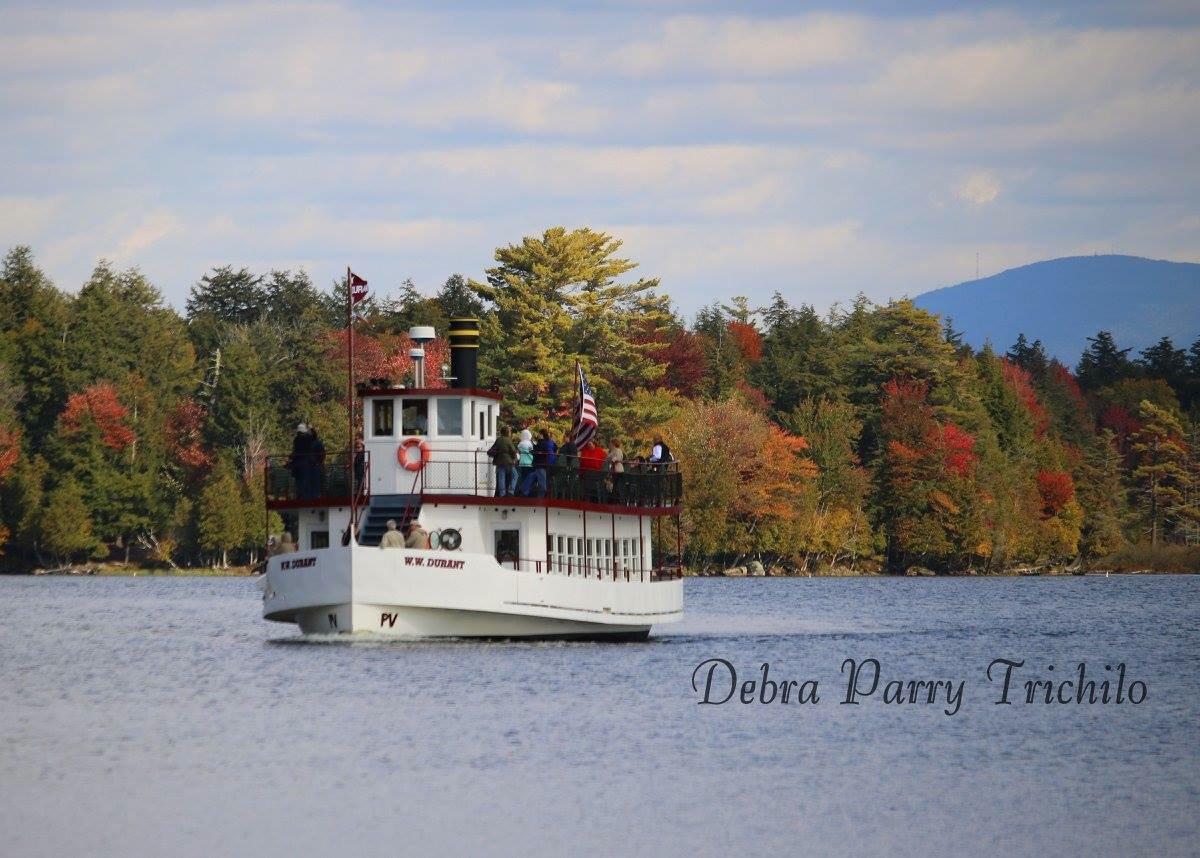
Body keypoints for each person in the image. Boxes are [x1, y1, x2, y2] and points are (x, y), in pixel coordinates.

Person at [520, 428, 556, 498]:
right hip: (546, 465)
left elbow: (537, 451)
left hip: (540, 464)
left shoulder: (542, 443)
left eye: (539, 434)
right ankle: (524, 492)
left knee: (541, 483)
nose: (538, 435)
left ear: (541, 434)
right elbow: (554, 449)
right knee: (531, 478)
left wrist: (533, 450)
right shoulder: (550, 442)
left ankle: (539, 497)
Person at [491, 426, 518, 497]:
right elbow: (513, 451)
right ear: (507, 432)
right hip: (509, 462)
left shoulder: (498, 440)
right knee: (515, 475)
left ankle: (502, 493)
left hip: (499, 461)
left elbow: (493, 449)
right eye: (509, 432)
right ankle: (511, 491)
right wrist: (514, 458)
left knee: (501, 477)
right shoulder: (508, 440)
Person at [288, 423, 310, 497]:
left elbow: (297, 451)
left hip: (299, 463)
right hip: (305, 463)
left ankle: (300, 494)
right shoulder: (308, 439)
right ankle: (303, 494)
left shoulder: (297, 440)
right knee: (303, 480)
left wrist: (292, 457)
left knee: (300, 481)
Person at [307, 426, 326, 498]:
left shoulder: (316, 443)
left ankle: (316, 496)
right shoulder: (313, 443)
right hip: (312, 466)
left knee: (316, 483)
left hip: (315, 466)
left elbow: (322, 454)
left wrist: (317, 462)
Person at [516, 428, 535, 494]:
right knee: (529, 478)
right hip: (530, 463)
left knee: (523, 477)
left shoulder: (520, 444)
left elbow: (518, 452)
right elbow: (533, 452)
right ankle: (527, 492)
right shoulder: (530, 444)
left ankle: (522, 490)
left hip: (521, 463)